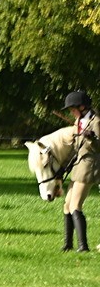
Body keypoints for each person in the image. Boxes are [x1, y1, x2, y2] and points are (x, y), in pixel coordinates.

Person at [58, 91, 98, 252]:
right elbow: (75, 146)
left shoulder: (97, 122)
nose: (71, 112)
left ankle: (83, 246)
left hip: (89, 166)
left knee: (76, 205)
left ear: (82, 107)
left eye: (72, 108)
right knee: (67, 205)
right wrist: (64, 165)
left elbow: (99, 148)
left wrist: (91, 138)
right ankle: (68, 244)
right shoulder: (79, 121)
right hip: (78, 166)